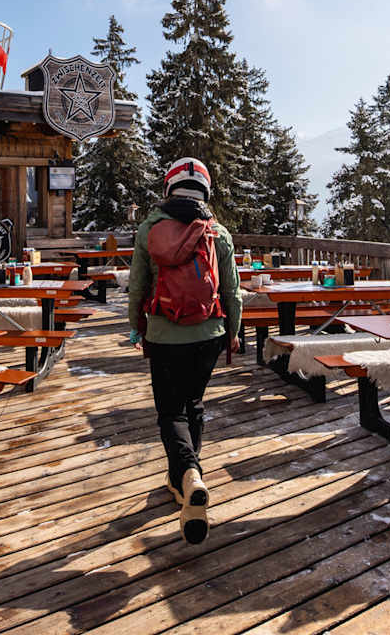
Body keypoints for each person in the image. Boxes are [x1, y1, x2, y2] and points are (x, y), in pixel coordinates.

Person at [127, 157, 242, 545]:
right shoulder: (217, 233)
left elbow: (137, 287)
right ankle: (187, 485)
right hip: (208, 332)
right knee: (193, 403)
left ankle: (188, 473)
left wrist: (137, 326)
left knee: (170, 410)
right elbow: (232, 292)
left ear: (169, 187)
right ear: (205, 190)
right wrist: (233, 334)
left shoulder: (149, 229)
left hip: (164, 332)